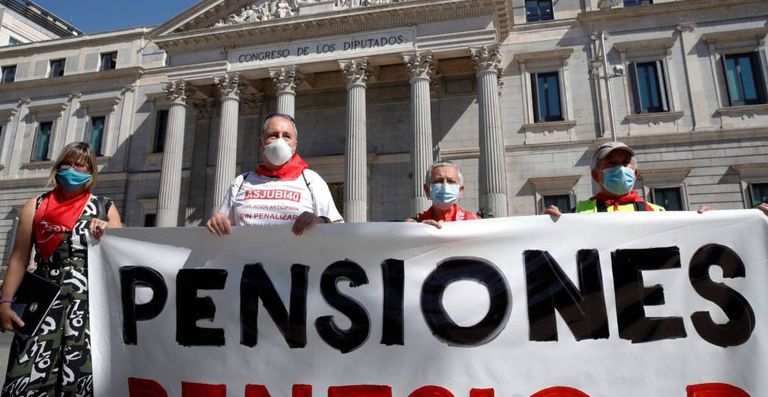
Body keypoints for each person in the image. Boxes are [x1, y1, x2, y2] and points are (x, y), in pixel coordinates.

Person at [0, 142, 122, 396]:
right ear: (57, 166)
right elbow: (19, 258)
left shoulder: (105, 208)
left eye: (80, 165)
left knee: (80, 378)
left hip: (88, 304)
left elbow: (121, 256)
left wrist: (108, 234)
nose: (71, 169)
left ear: (91, 171)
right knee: (26, 376)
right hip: (42, 301)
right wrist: (5, 303)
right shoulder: (35, 205)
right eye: (66, 163)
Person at [207, 113, 343, 236]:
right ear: (261, 143)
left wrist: (319, 221)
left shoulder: (311, 180)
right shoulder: (241, 181)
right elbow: (223, 224)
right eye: (273, 135)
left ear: (295, 145)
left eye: (286, 136)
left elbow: (338, 228)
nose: (280, 141)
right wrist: (217, 222)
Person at [544, 141, 664, 218]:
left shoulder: (657, 213)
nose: (620, 168)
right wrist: (552, 223)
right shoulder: (578, 213)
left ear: (635, 173)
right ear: (596, 175)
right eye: (611, 163)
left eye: (625, 162)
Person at [406, 160, 481, 228]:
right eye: (438, 181)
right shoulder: (415, 224)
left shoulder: (475, 222)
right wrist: (419, 230)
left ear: (460, 191)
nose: (445, 186)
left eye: (451, 181)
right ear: (427, 190)